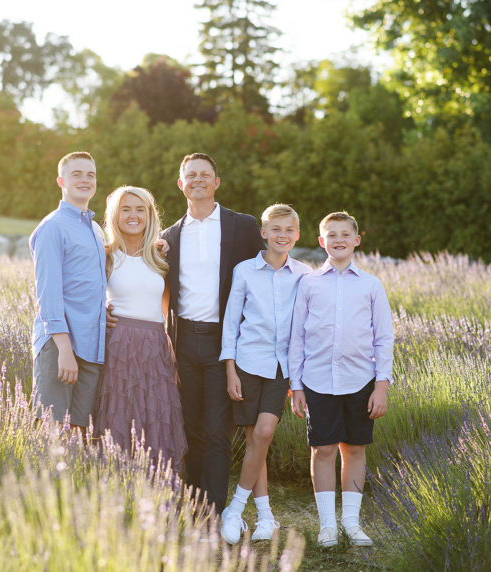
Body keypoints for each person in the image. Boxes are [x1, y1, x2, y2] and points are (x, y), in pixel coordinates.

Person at [161, 153, 266, 514]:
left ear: (217, 182)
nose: (198, 180)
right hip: (184, 340)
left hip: (227, 343)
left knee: (218, 431)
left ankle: (216, 511)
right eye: (191, 175)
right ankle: (194, 504)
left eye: (205, 175)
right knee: (191, 428)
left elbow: (266, 276)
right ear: (181, 184)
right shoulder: (168, 237)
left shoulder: (243, 226)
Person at [289, 211, 394, 548]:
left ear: (356, 240)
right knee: (323, 449)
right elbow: (296, 340)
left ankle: (351, 522)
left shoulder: (371, 285)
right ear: (321, 242)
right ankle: (328, 526)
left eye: (345, 234)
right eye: (331, 235)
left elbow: (384, 338)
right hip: (317, 380)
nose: (338, 240)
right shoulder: (308, 284)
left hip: (360, 380)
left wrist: (381, 385)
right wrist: (296, 386)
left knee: (355, 449)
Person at [218, 204, 312, 544]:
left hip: (281, 368)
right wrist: (230, 370)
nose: (282, 235)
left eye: (288, 229)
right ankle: (266, 516)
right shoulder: (244, 271)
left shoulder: (304, 274)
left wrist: (300, 378)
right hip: (247, 364)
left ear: (297, 234)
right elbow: (230, 324)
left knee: (265, 432)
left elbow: (306, 327)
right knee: (255, 437)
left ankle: (235, 508)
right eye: (276, 229)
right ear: (264, 232)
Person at [94, 186, 187, 472]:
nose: (133, 215)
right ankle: (117, 489)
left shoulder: (160, 256)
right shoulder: (106, 254)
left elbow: (166, 305)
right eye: (125, 209)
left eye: (140, 209)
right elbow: (85, 296)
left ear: (149, 215)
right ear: (114, 215)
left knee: (155, 416)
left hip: (155, 346)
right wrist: (101, 315)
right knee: (119, 416)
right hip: (119, 343)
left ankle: (155, 490)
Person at [30, 151, 107, 431]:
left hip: (91, 346)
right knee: (51, 432)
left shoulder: (95, 229)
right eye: (77, 174)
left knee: (78, 435)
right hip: (61, 345)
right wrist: (64, 349)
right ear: (61, 181)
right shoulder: (53, 227)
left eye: (91, 174)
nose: (85, 180)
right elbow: (48, 295)